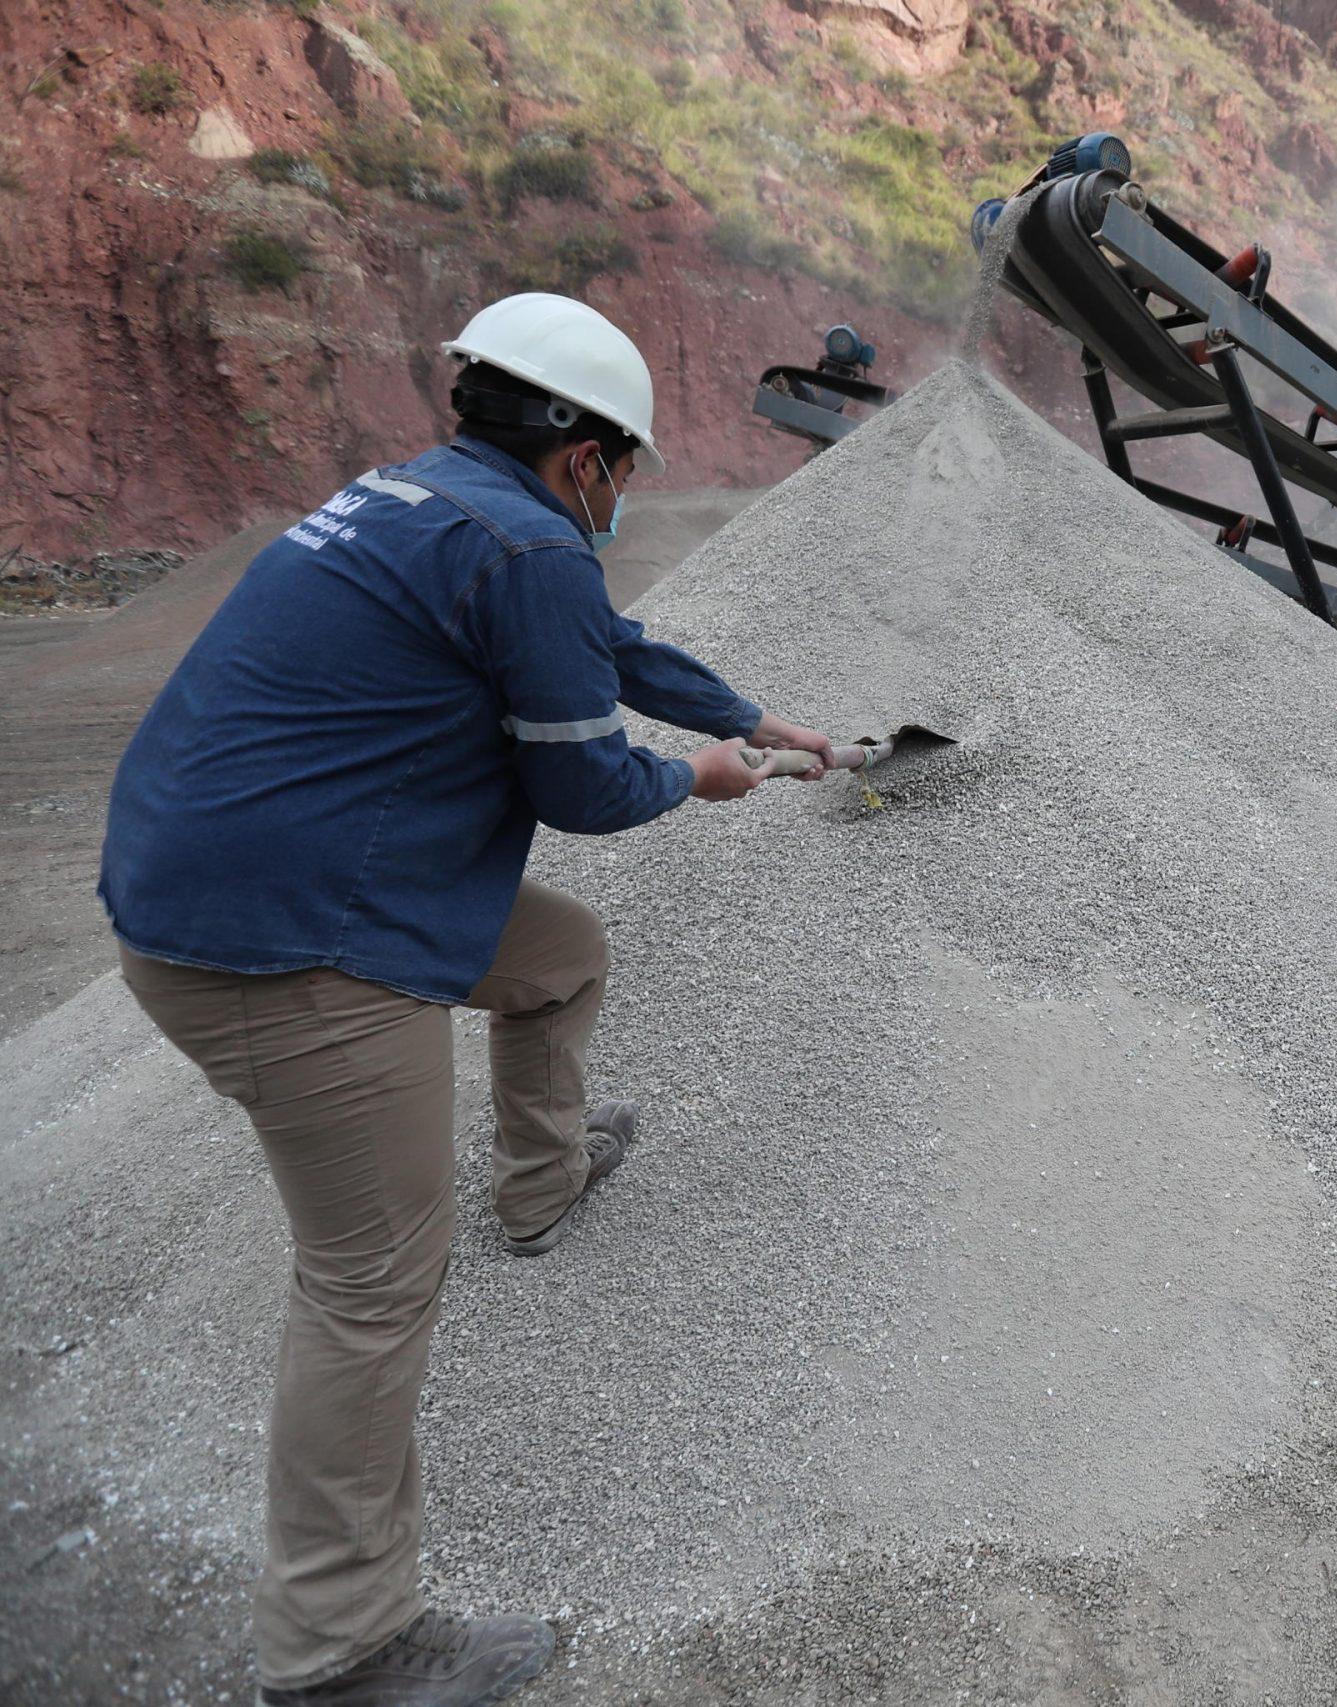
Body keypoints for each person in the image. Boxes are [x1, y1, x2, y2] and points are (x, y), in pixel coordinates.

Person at [97, 293, 828, 1706]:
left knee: (557, 959)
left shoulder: (425, 502)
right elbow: (584, 783)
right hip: (287, 944)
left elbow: (600, 647)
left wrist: (743, 711)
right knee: (368, 1287)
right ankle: (341, 1648)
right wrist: (705, 779)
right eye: (626, 461)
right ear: (584, 453)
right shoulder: (525, 540)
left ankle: (543, 1182)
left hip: (247, 875)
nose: (623, 489)